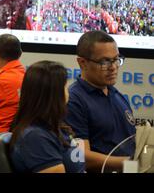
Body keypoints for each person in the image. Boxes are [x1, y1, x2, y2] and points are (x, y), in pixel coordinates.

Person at [66, 30, 135, 172]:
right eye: (104, 62)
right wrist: (132, 163)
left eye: (116, 59)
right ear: (82, 63)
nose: (113, 67)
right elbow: (79, 156)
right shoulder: (74, 101)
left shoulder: (116, 95)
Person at [10, 61, 85, 173]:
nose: (68, 91)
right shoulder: (35, 137)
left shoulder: (53, 127)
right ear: (54, 94)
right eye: (65, 86)